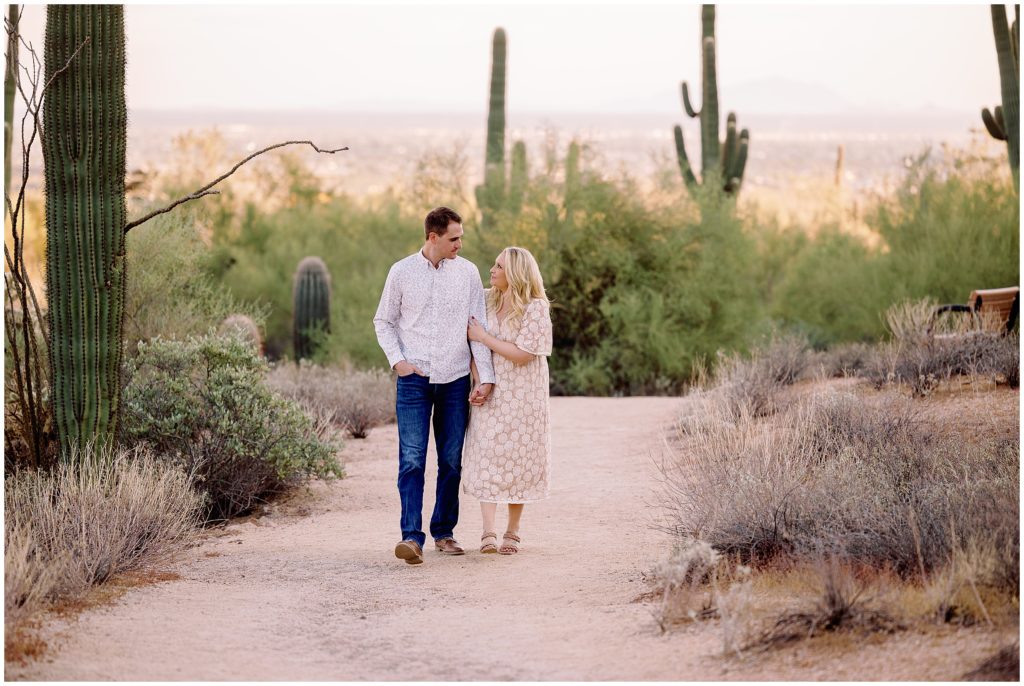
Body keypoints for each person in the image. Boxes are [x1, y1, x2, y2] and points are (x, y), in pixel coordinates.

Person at [373, 207, 496, 565]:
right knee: (411, 460)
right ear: (433, 237)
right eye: (454, 237)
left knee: (451, 461)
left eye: (461, 236)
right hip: (414, 382)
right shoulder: (401, 272)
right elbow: (384, 321)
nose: (460, 243)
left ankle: (444, 531)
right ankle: (411, 538)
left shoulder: (469, 273)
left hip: (455, 380)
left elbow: (477, 327)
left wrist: (484, 376)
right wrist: (398, 361)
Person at [463, 246, 553, 555]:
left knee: (520, 458)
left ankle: (512, 532)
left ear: (514, 273)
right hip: (492, 389)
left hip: (525, 394)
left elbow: (524, 355)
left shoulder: (535, 308)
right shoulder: (487, 299)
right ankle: (488, 531)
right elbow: (472, 345)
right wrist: (479, 379)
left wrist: (485, 338)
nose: (492, 270)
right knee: (487, 452)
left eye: (499, 267)